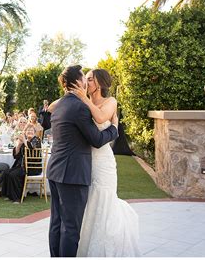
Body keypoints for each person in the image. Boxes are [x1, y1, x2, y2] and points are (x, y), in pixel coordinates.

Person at [46, 65, 119, 257]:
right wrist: (114, 129)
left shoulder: (62, 105)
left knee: (56, 223)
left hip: (55, 170)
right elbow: (96, 140)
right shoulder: (79, 107)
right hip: (72, 174)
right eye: (84, 79)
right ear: (78, 82)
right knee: (70, 228)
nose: (87, 82)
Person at [70, 68, 140, 257]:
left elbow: (101, 118)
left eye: (90, 79)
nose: (86, 82)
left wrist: (83, 98)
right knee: (89, 201)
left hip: (103, 162)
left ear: (99, 83)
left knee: (104, 199)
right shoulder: (82, 103)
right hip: (85, 160)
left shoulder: (110, 102)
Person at [1, 124, 41, 203]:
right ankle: (9, 195)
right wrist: (19, 145)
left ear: (35, 132)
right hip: (22, 165)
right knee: (7, 172)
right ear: (25, 132)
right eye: (27, 130)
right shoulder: (23, 141)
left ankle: (18, 198)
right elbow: (16, 156)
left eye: (31, 130)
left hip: (32, 167)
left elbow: (31, 149)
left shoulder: (36, 140)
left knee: (14, 175)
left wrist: (25, 141)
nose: (29, 132)